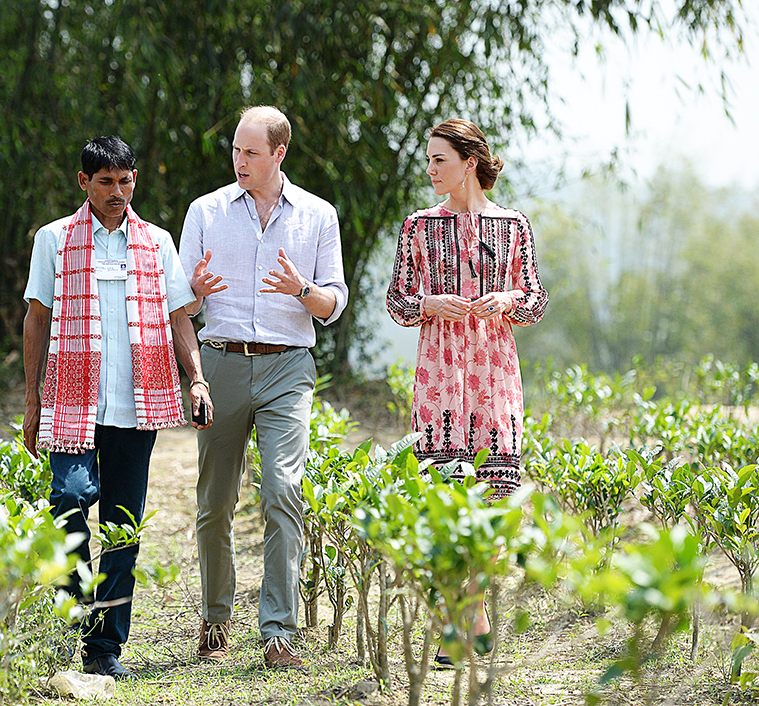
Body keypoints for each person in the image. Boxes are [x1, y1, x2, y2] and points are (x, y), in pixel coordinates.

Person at [22, 136, 213, 680]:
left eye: (126, 181)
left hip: (137, 405)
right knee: (71, 500)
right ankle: (68, 626)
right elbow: (36, 318)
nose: (118, 192)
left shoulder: (156, 242)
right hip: (70, 400)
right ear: (83, 182)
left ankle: (105, 647)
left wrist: (195, 379)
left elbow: (179, 316)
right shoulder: (54, 240)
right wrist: (31, 400)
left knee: (124, 526)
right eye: (106, 182)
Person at [178, 105, 348, 670]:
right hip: (222, 363)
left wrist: (303, 289)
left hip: (287, 368)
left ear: (279, 153)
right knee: (215, 502)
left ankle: (278, 630)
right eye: (234, 150)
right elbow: (182, 307)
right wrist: (196, 292)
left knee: (282, 489)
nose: (239, 161)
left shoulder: (319, 217)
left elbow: (332, 306)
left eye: (251, 152)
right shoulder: (204, 212)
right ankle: (215, 618)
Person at [386, 117, 548, 665]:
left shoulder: (514, 225)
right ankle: (461, 623)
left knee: (493, 492)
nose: (430, 169)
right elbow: (398, 301)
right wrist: (429, 303)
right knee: (442, 492)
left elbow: (536, 301)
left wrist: (507, 300)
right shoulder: (417, 227)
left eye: (439, 160)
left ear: (469, 162)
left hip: (493, 371)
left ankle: (470, 613)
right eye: (429, 160)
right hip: (439, 371)